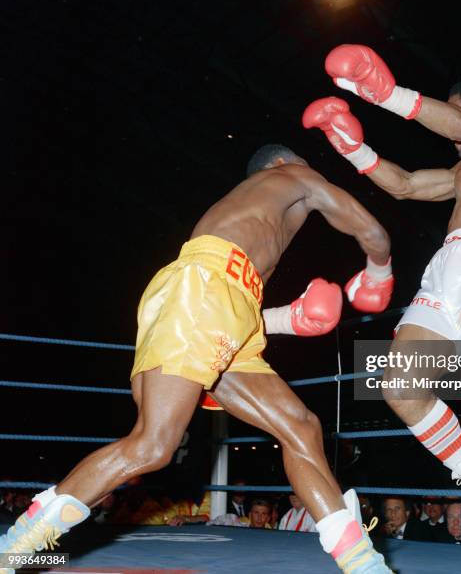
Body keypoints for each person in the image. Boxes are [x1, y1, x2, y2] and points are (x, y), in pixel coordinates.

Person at [0, 144, 394, 574]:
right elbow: (371, 231)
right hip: (203, 292)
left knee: (301, 426)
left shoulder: (254, 221)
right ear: (282, 164)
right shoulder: (292, 177)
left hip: (225, 308)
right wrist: (379, 272)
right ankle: (14, 547)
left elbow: (238, 306)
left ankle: (362, 564)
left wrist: (288, 318)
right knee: (153, 444)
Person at [304, 44, 461, 573]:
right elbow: (406, 184)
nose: (451, 133)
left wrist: (390, 96)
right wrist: (351, 148)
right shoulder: (460, 176)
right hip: (446, 270)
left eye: (458, 117)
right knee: (399, 385)